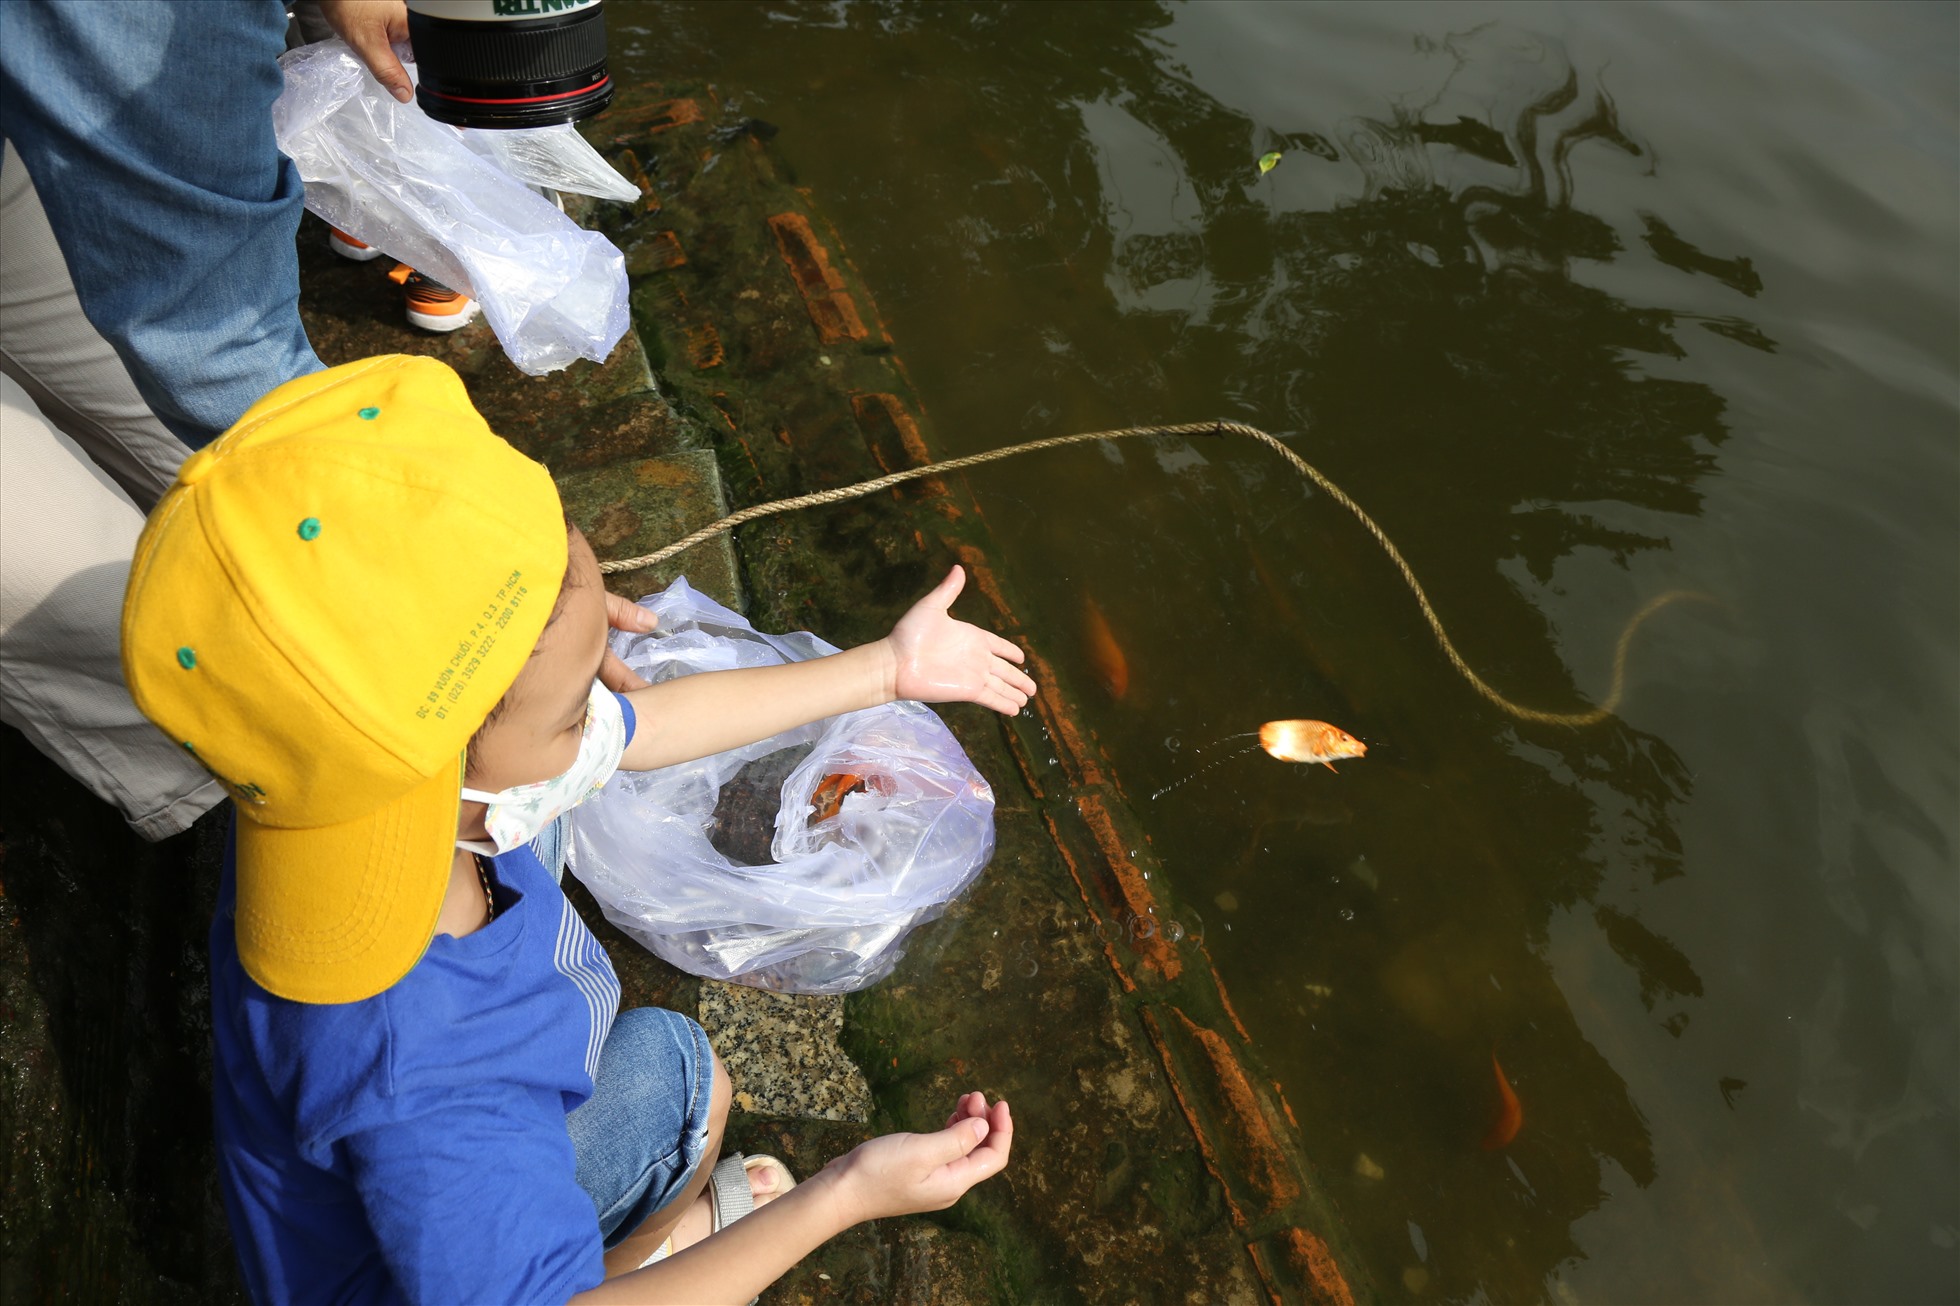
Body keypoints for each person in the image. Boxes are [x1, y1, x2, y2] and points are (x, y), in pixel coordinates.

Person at [119, 354, 1028, 1303]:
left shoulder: (317, 777)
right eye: (575, 705)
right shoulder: (435, 1076)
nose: (612, 691)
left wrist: (885, 669)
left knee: (553, 822)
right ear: (459, 763)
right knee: (686, 1077)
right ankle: (650, 1255)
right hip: (446, 1254)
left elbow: (633, 735)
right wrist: (842, 1195)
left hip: (379, 1189)